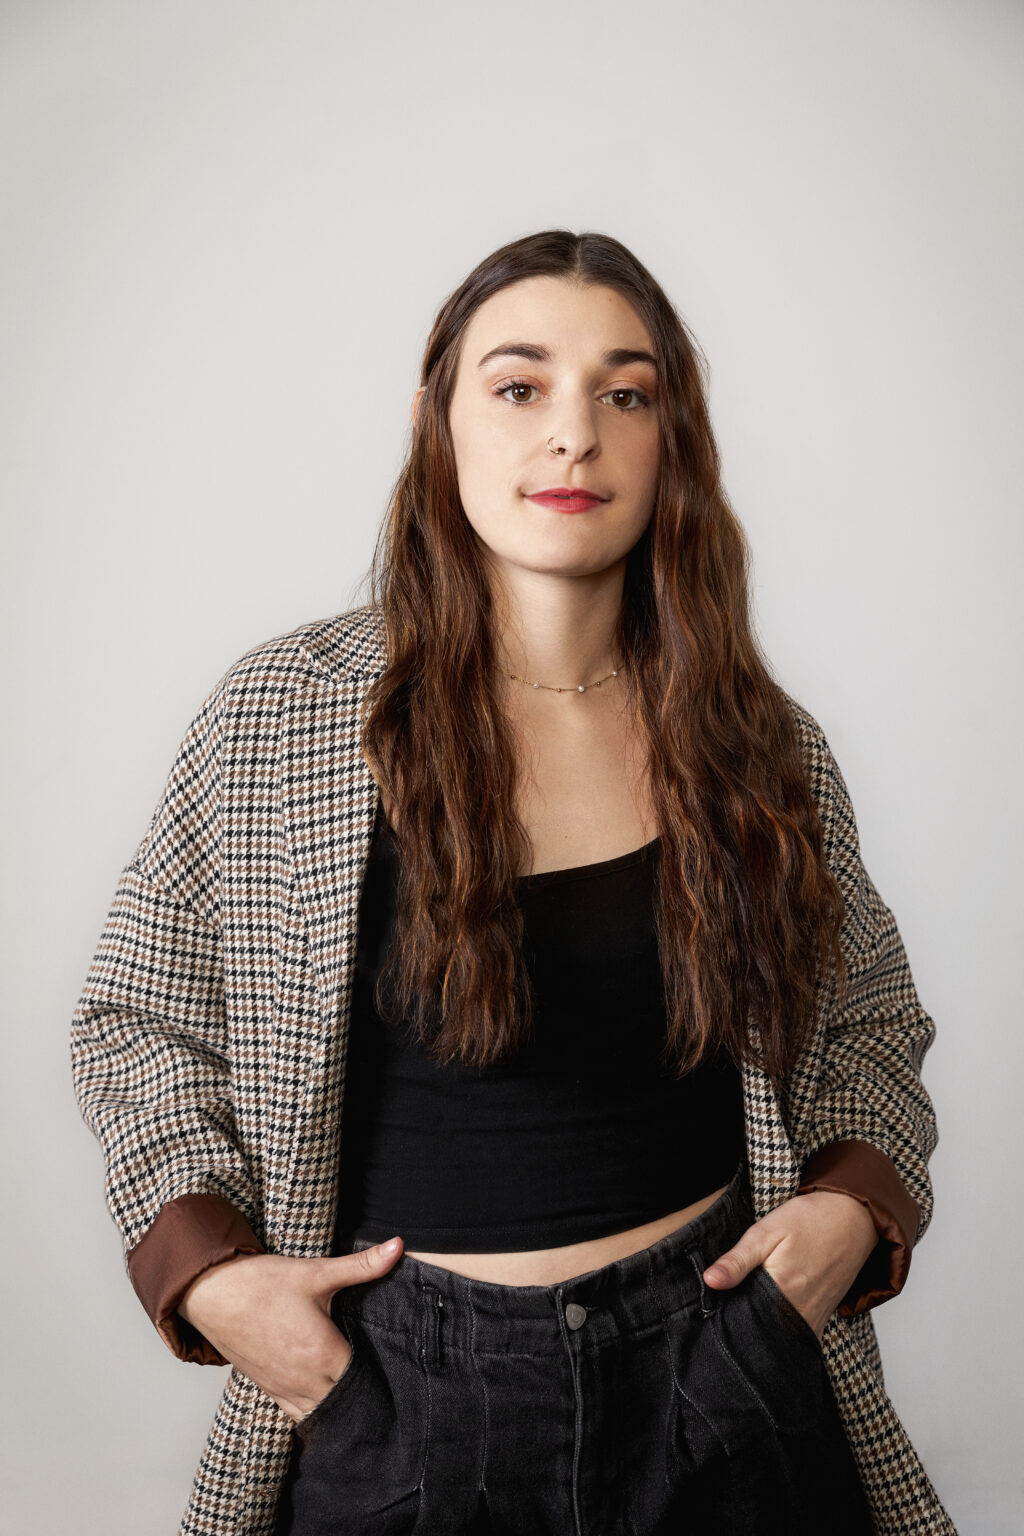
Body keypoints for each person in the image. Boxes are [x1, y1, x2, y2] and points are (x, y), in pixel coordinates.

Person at [71, 229, 957, 1536]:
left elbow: (872, 1019)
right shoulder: (287, 718)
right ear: (436, 423)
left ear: (671, 439)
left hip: (727, 1369)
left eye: (625, 393)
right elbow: (135, 1018)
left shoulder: (755, 741)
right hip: (397, 1395)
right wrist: (207, 1274)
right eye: (520, 385)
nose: (575, 435)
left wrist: (845, 1210)